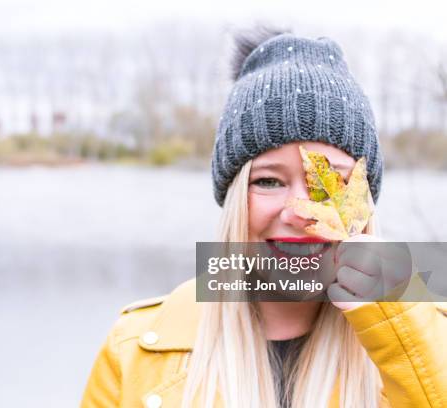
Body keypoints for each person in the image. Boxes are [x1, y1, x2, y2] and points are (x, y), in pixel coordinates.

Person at [81, 28, 447, 408]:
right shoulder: (134, 350)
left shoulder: (432, 335)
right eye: (269, 181)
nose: (299, 212)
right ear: (235, 198)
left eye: (329, 183)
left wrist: (401, 325)